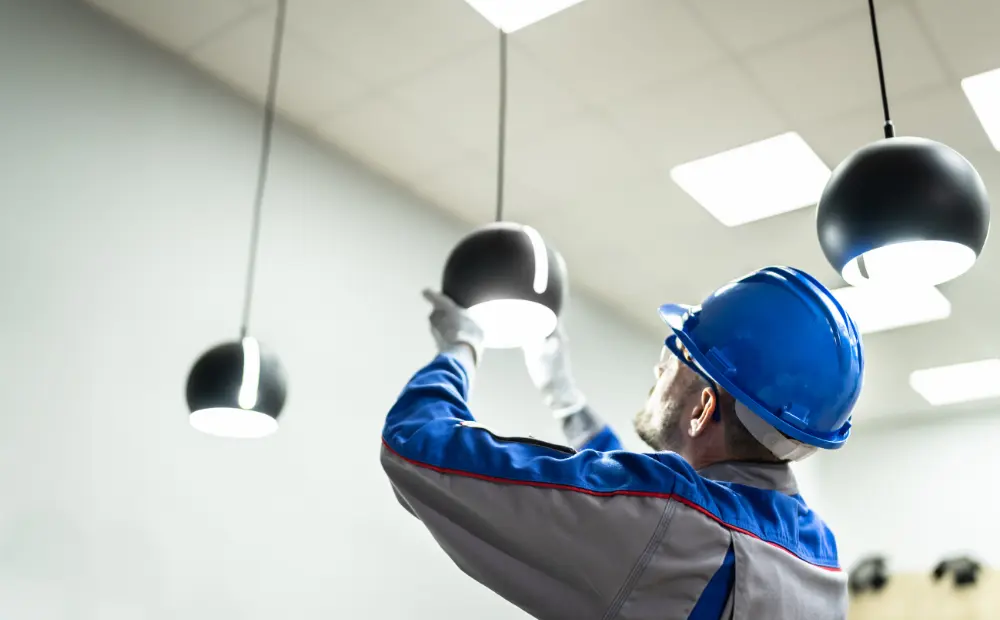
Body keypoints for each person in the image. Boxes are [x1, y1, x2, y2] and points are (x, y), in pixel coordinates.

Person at [381, 266, 864, 619]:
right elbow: (639, 513)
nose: (659, 370)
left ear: (703, 409)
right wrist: (566, 402)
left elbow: (415, 446)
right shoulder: (817, 552)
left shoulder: (675, 524)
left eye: (676, 356)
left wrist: (459, 350)